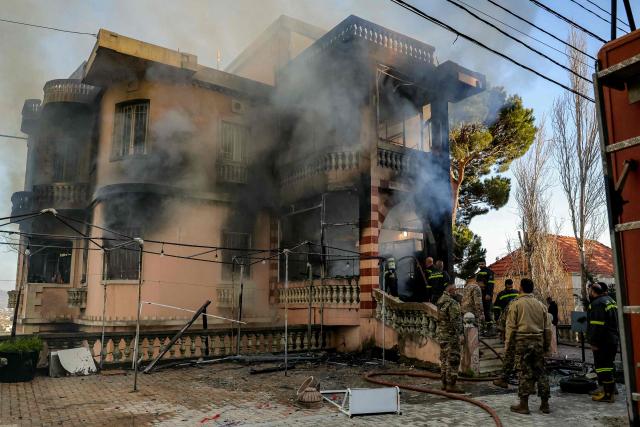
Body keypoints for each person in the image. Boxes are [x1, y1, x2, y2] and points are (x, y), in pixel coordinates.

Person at [505, 278, 551, 415]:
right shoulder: (541, 305)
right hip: (538, 341)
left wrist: (508, 346)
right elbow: (548, 329)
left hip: (522, 341)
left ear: (521, 288)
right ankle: (545, 404)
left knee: (524, 373)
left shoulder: (516, 304)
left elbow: (511, 328)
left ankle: (524, 405)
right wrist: (546, 346)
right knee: (541, 372)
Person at [587, 282, 619, 403]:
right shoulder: (610, 300)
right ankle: (609, 390)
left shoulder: (597, 304)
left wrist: (594, 342)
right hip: (612, 339)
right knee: (609, 365)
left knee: (602, 367)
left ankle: (608, 394)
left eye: (590, 290)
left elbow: (597, 325)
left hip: (603, 341)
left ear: (594, 291)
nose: (589, 292)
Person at [436, 282, 464, 393]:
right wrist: (460, 334)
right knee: (453, 359)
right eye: (455, 290)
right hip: (451, 336)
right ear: (450, 290)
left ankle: (444, 383)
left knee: (444, 359)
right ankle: (451, 384)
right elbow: (456, 322)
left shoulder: (440, 301)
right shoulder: (452, 303)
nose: (456, 291)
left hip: (442, 335)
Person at [493, 286, 519, 389]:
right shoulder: (539, 304)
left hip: (516, 336)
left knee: (510, 358)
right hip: (535, 339)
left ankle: (504, 380)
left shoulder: (513, 304)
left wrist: (502, 332)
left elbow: (502, 321)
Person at [476, 260, 496, 332]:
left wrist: (488, 294)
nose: (480, 265)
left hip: (486, 294)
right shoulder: (478, 273)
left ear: (485, 264)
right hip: (480, 294)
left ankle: (490, 327)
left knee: (487, 310)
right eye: (479, 264)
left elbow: (491, 284)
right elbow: (478, 284)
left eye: (482, 264)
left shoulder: (489, 272)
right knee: (482, 310)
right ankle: (484, 327)